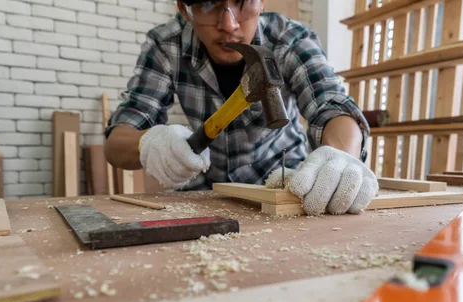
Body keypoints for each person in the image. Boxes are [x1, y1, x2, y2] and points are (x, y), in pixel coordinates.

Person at [104, 0, 378, 215]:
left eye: (242, 1)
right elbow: (116, 143)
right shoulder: (165, 45)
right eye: (208, 4)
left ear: (261, 2)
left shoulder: (289, 38)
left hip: (284, 183)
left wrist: (341, 158)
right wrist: (148, 143)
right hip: (206, 190)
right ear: (184, 9)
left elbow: (332, 106)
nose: (228, 24)